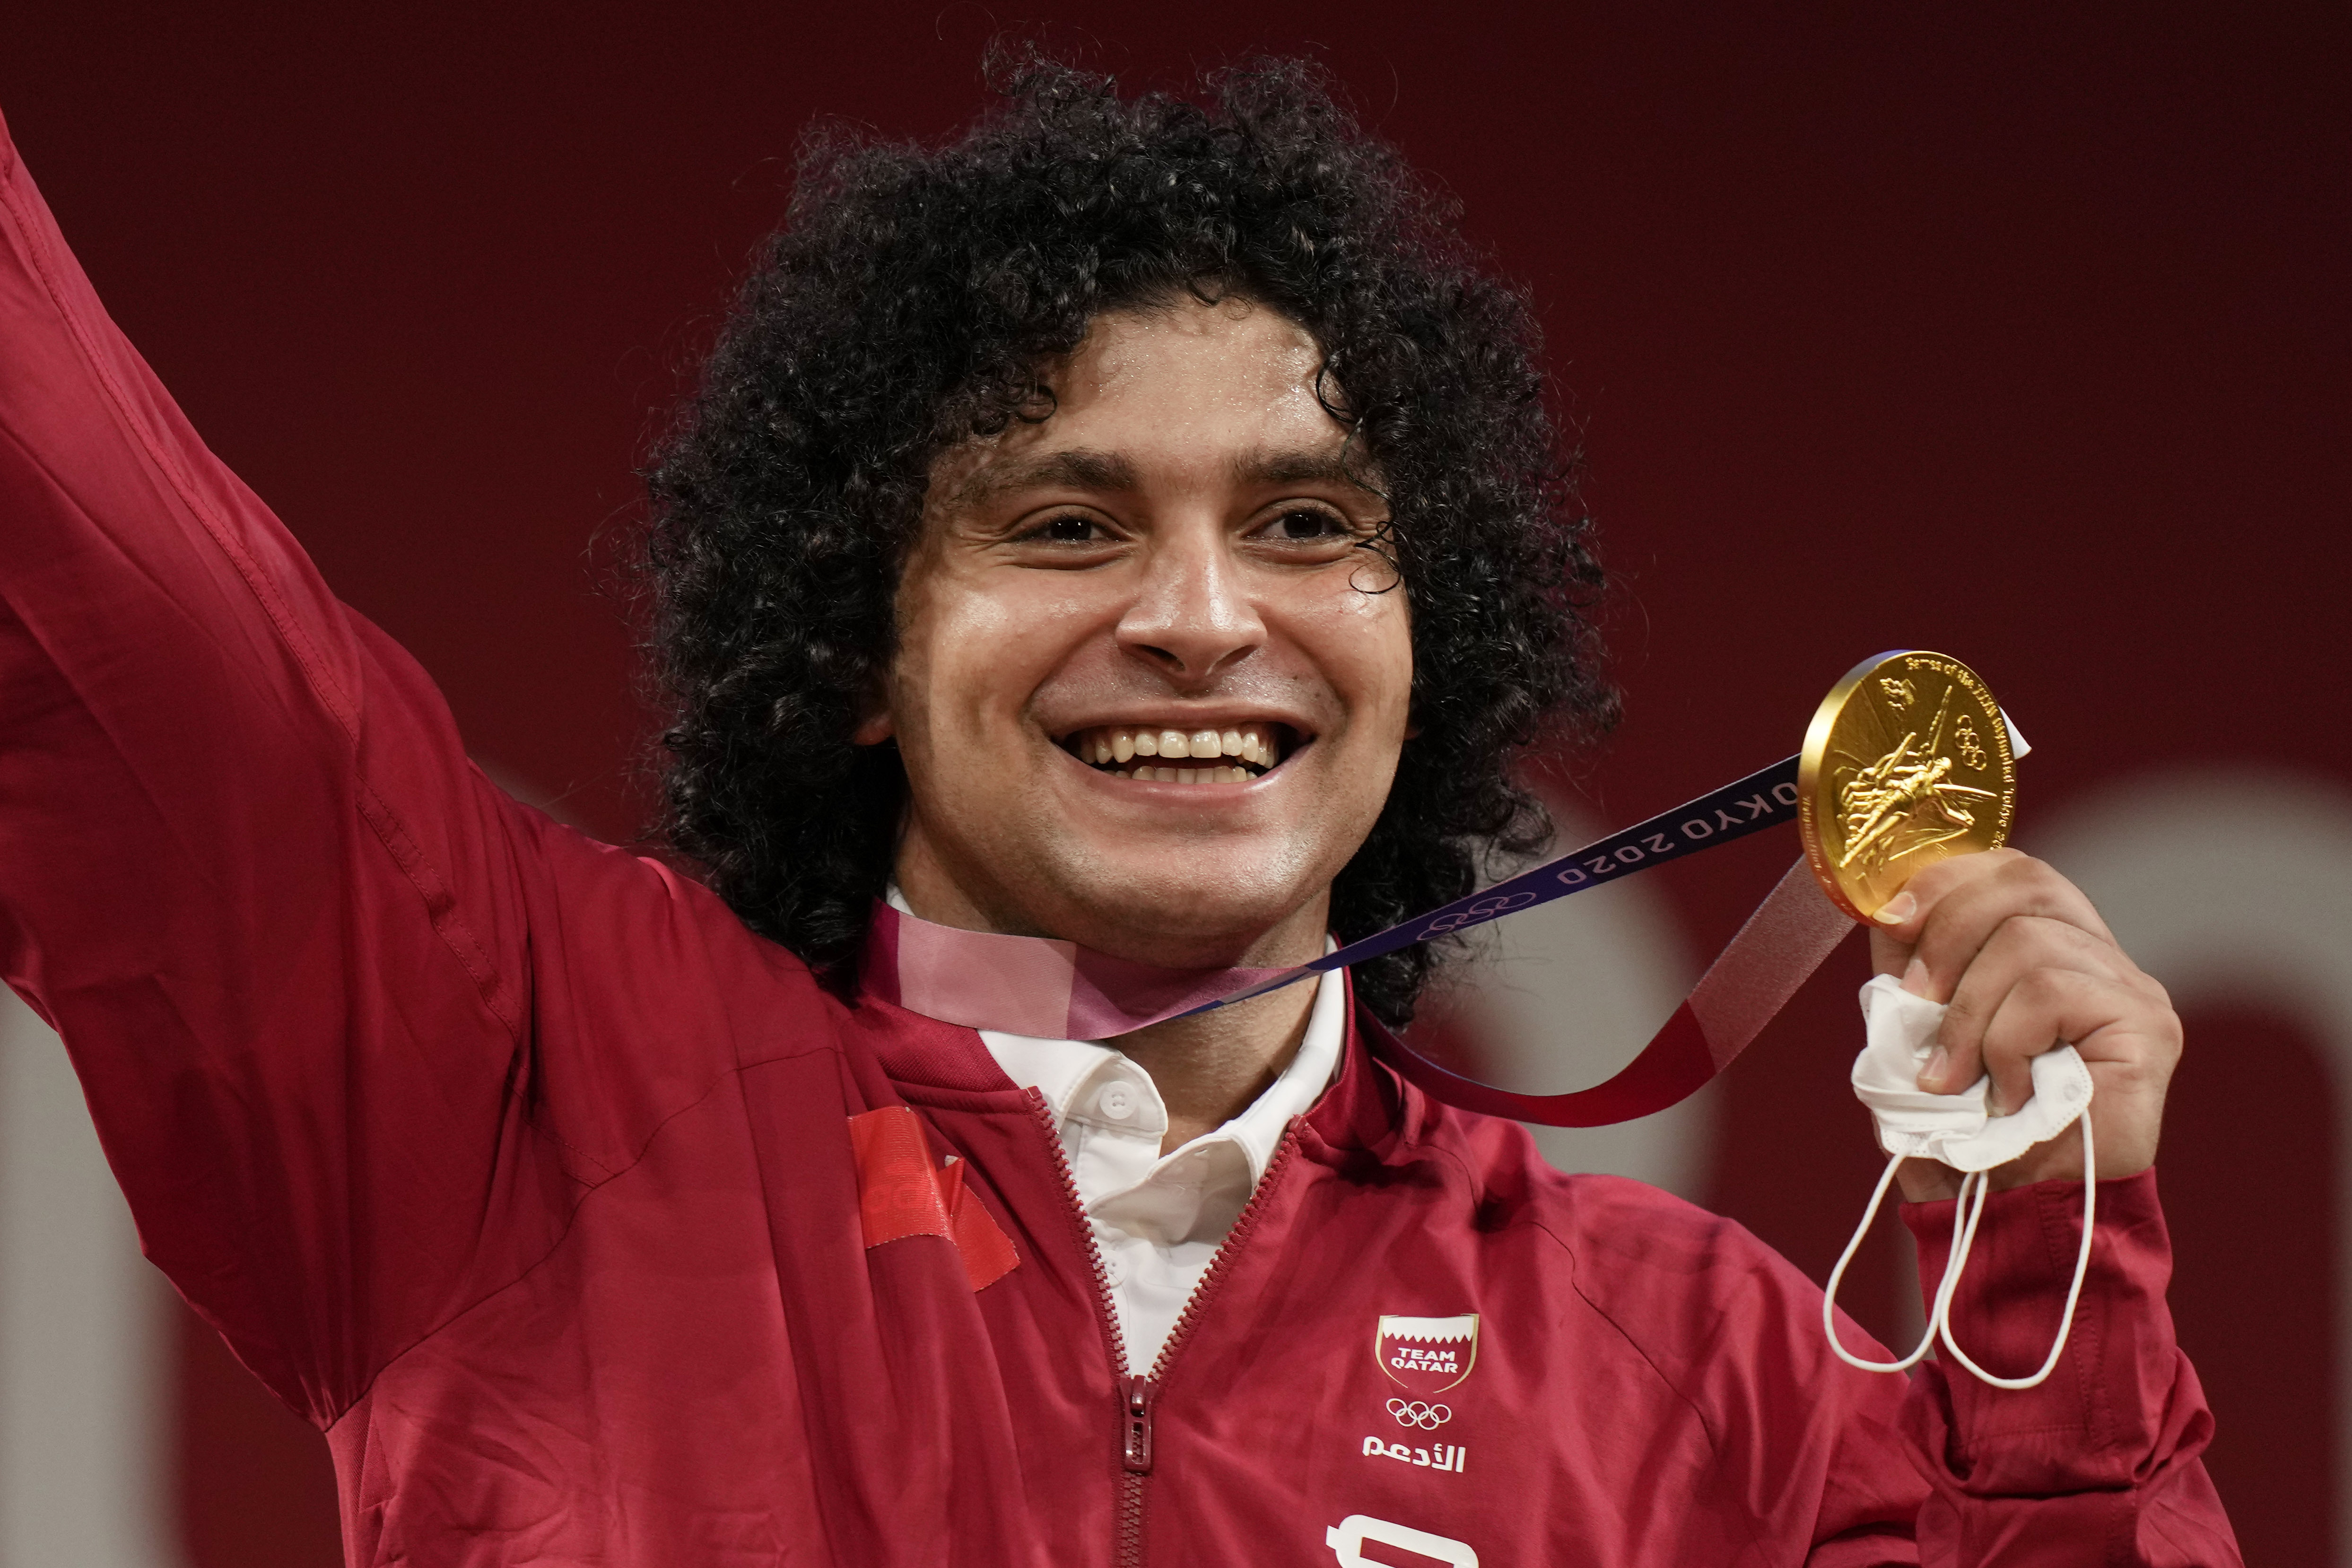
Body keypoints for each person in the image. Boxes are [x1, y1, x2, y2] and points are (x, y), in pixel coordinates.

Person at [0, 52, 2238, 1566]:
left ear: (1421, 633)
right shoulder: (525, 1094)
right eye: (1063, 525)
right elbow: (93, 572)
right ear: (858, 649)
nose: (1197, 618)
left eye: (1302, 524)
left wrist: (2052, 1263)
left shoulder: (1703, 1376)